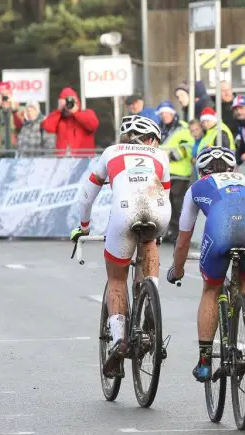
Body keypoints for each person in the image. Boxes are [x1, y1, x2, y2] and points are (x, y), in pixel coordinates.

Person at [70, 116, 171, 377]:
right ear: (151, 139)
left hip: (124, 211)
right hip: (158, 210)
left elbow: (86, 197)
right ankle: (152, 298)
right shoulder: (160, 155)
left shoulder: (111, 152)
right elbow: (165, 194)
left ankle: (119, 341)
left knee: (116, 279)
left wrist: (83, 228)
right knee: (150, 239)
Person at [166, 147, 245, 379]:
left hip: (221, 234)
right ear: (232, 168)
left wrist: (178, 270)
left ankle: (204, 361)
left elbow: (183, 240)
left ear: (201, 169)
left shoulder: (196, 187)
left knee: (211, 289)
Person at [156, 101, 193, 242]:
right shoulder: (160, 128)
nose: (164, 115)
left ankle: (180, 233)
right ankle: (171, 231)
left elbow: (187, 146)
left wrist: (170, 156)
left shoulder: (182, 127)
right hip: (164, 172)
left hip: (180, 172)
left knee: (178, 204)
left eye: (166, 112)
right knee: (167, 203)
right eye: (162, 113)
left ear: (172, 112)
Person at [41, 87, 99, 157]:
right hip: (63, 161)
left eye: (71, 103)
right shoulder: (59, 118)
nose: (68, 106)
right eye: (66, 104)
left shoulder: (86, 113)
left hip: (84, 160)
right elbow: (47, 127)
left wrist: (76, 112)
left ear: (77, 103)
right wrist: (58, 110)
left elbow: (93, 125)